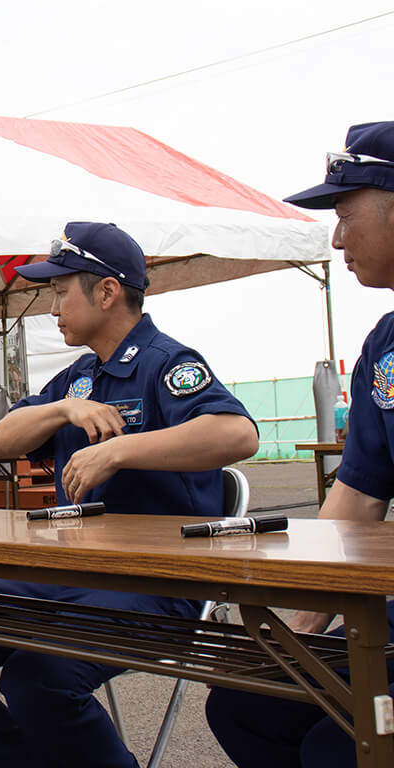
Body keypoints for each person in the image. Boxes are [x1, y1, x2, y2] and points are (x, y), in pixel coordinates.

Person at [0, 222, 260, 768]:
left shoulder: (165, 362)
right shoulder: (79, 376)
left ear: (105, 291)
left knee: (39, 678)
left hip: (153, 580)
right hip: (65, 568)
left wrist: (122, 450)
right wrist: (61, 410)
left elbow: (237, 434)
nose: (52, 306)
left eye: (60, 291)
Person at [205, 121, 394, 768]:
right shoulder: (384, 344)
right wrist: (303, 627)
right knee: (245, 704)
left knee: (334, 749)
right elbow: (361, 496)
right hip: (388, 620)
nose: (336, 237)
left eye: (345, 214)